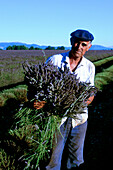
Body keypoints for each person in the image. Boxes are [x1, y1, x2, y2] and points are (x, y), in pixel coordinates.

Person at [36, 29, 95, 170]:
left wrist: (86, 100)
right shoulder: (55, 60)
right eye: (76, 43)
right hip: (56, 117)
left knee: (76, 159)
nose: (79, 47)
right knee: (53, 158)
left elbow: (91, 92)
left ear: (89, 47)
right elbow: (41, 87)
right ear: (71, 42)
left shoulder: (89, 67)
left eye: (83, 44)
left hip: (79, 118)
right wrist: (42, 102)